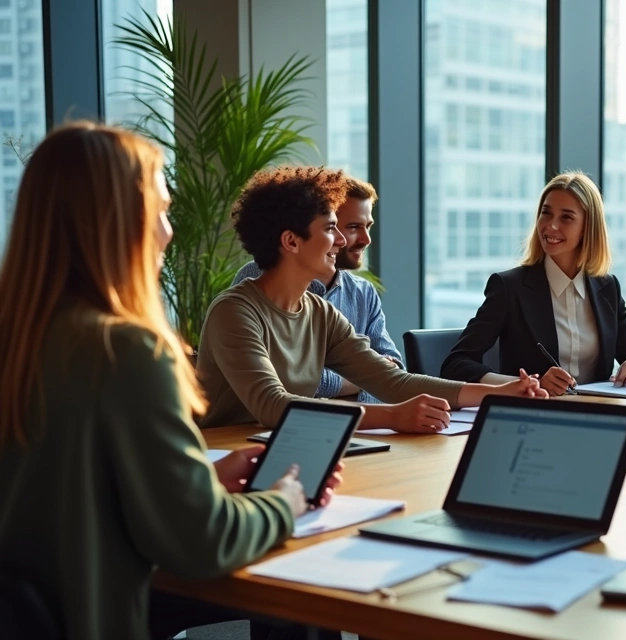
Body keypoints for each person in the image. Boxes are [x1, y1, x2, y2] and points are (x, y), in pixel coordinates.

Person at [0, 122, 341, 640]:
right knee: (302, 601)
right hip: (93, 616)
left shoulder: (21, 337)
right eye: (159, 212)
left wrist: (199, 481)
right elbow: (202, 541)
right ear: (116, 223)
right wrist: (284, 502)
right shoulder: (125, 351)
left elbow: (62, 493)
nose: (168, 232)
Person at [197, 166, 545, 431]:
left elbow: (393, 380)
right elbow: (274, 407)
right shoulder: (234, 312)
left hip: (291, 444)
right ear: (291, 241)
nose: (341, 241)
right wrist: (392, 416)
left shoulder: (319, 313)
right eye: (330, 229)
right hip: (227, 455)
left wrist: (499, 393)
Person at [441, 171, 626, 397]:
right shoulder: (509, 287)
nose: (551, 226)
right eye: (546, 213)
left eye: (566, 217)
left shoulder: (607, 287)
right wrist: (525, 384)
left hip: (598, 412)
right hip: (535, 412)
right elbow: (456, 364)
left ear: (588, 227)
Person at [232, 176, 399, 404]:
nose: (366, 239)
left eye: (368, 226)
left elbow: (393, 370)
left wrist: (364, 384)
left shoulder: (362, 293)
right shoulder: (258, 281)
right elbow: (287, 381)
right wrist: (365, 379)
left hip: (352, 422)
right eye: (352, 227)